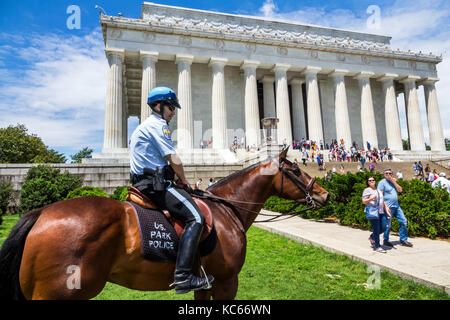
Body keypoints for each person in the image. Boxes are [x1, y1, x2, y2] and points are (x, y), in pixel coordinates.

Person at [129, 86, 213, 294]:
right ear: (158, 106)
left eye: (174, 107)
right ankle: (184, 275)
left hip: (150, 180)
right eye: (171, 106)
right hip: (155, 186)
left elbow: (159, 162)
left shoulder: (149, 126)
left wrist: (176, 177)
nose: (174, 111)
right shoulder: (158, 126)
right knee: (197, 217)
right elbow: (174, 158)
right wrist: (183, 180)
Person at [377, 168, 413, 247]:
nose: (388, 175)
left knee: (403, 221)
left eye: (390, 173)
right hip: (388, 207)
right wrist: (384, 207)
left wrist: (393, 181)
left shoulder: (393, 182)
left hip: (396, 206)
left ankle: (403, 240)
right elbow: (380, 196)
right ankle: (385, 240)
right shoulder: (382, 183)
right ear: (384, 174)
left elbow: (400, 190)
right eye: (386, 173)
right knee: (388, 224)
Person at [362, 177, 391, 253]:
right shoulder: (367, 190)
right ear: (368, 182)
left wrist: (387, 209)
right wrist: (371, 198)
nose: (371, 181)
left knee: (384, 227)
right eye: (370, 180)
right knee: (376, 229)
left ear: (375, 181)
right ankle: (377, 246)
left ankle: (372, 236)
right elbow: (364, 201)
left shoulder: (378, 190)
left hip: (381, 211)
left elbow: (382, 200)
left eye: (373, 180)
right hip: (373, 212)